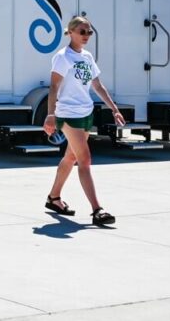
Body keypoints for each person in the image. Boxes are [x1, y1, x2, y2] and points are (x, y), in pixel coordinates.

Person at [42, 16, 125, 226]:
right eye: (82, 31)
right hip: (68, 114)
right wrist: (51, 115)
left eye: (89, 32)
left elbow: (97, 86)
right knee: (85, 160)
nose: (86, 35)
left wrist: (114, 109)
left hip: (86, 113)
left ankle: (53, 198)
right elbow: (53, 87)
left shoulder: (87, 56)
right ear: (70, 33)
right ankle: (98, 210)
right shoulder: (62, 57)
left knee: (71, 157)